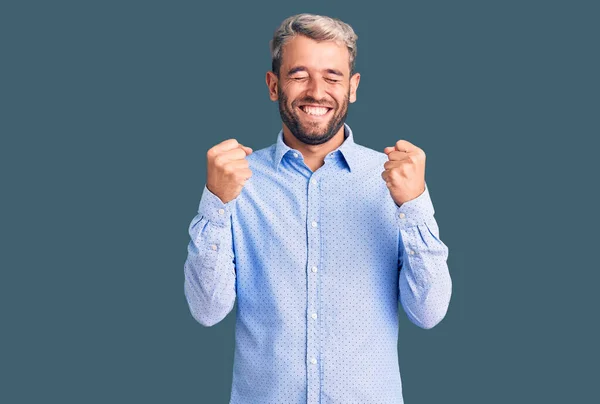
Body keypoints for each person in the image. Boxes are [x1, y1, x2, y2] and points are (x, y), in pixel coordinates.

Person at [183, 13, 452, 404]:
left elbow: (429, 312)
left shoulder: (393, 180)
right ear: (273, 85)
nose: (316, 91)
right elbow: (207, 310)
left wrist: (413, 205)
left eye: (332, 77)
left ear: (352, 87)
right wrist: (215, 202)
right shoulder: (236, 181)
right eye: (299, 75)